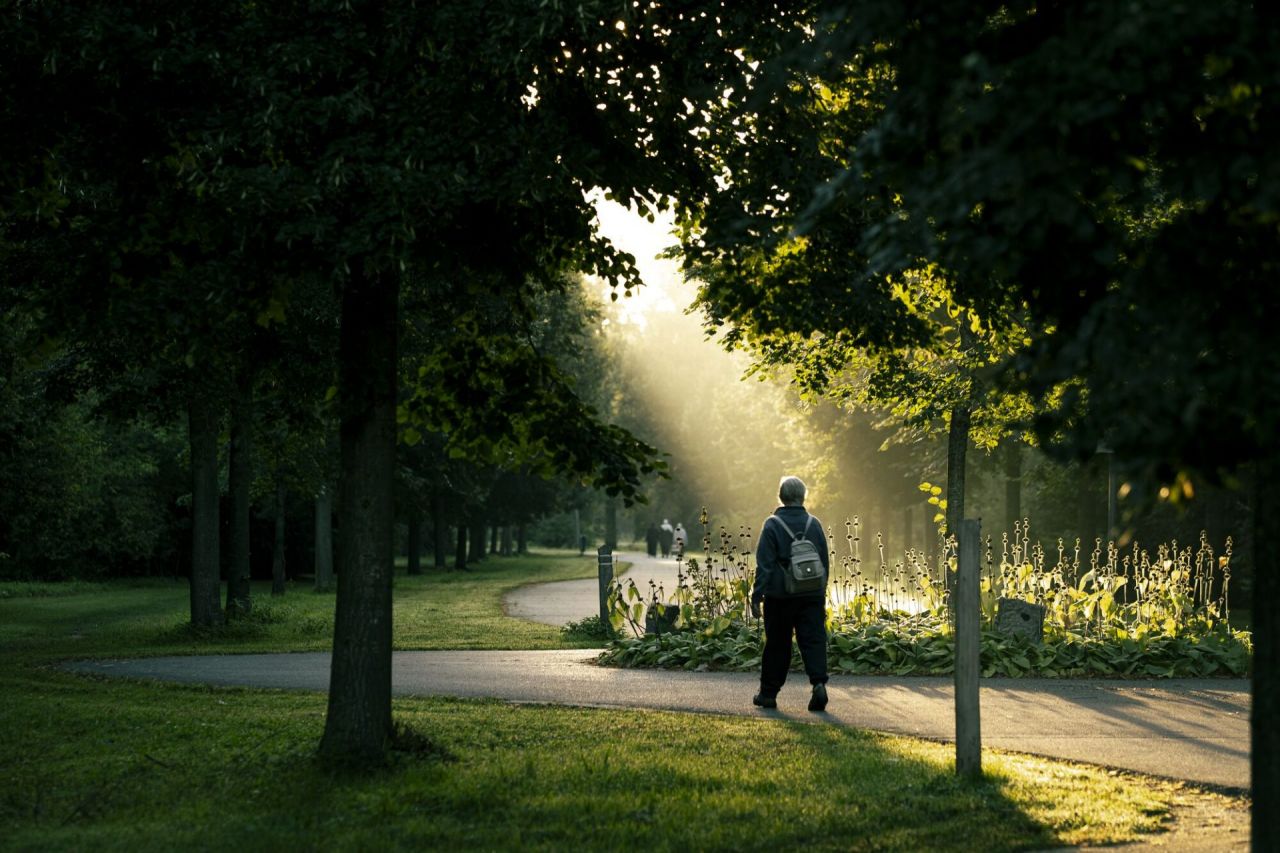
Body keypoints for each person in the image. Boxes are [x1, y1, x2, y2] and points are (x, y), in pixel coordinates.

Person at [751, 475, 830, 712]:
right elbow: (824, 562)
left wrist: (757, 596)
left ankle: (768, 695)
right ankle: (818, 684)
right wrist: (821, 593)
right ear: (803, 497)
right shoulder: (814, 524)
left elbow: (764, 564)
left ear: (781, 497)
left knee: (777, 644)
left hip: (780, 596)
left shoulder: (772, 524)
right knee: (813, 640)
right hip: (811, 594)